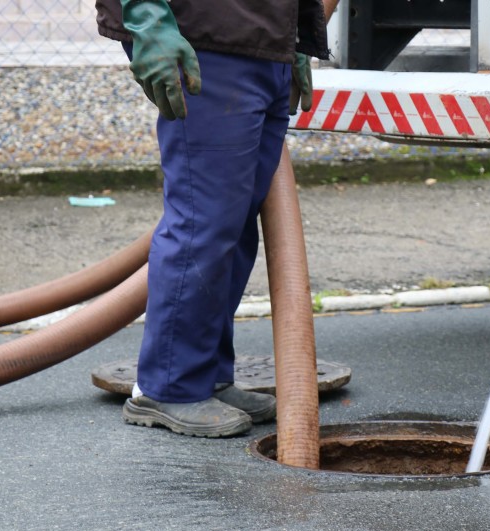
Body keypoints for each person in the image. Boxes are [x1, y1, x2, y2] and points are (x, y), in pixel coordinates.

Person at [95, 0, 329, 437]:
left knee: (234, 225)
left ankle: (207, 374)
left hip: (255, 37)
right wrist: (149, 21)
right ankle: (168, 387)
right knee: (205, 219)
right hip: (204, 36)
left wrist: (294, 35)